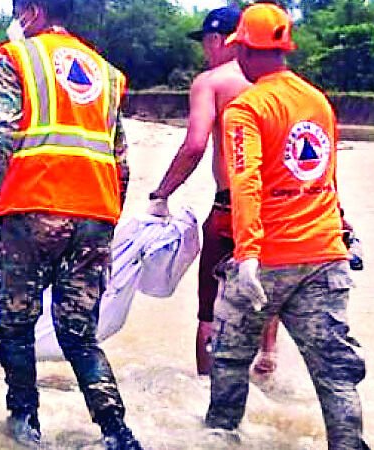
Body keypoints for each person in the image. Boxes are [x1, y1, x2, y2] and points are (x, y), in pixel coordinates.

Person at [0, 0, 141, 448]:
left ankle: (25, 425)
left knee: (16, 325)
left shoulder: (16, 57)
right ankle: (116, 432)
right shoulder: (107, 72)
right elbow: (120, 160)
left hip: (32, 208)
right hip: (96, 214)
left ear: (33, 11)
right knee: (79, 332)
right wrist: (107, 220)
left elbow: (0, 137)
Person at [204, 3, 369, 448]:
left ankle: (221, 438)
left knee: (230, 360)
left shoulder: (246, 108)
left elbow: (245, 180)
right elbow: (326, 176)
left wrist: (248, 253)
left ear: (244, 49)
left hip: (268, 260)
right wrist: (343, 229)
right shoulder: (318, 101)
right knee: (335, 370)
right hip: (324, 255)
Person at [146, 6, 280, 377]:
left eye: (205, 42)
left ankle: (206, 387)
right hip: (280, 208)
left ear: (218, 40)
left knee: (210, 306)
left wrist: (162, 193)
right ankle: (267, 357)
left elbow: (195, 145)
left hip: (231, 207)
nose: (204, 51)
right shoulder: (281, 84)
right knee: (265, 292)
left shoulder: (213, 82)